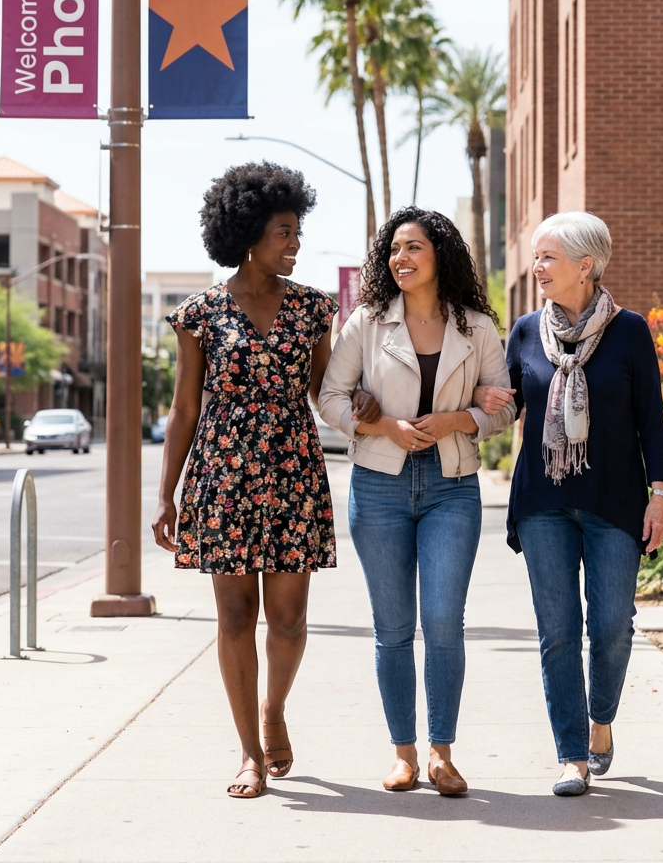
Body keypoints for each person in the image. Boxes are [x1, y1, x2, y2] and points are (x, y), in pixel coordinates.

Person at [151, 161, 378, 799]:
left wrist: (358, 403)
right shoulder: (200, 314)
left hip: (292, 474)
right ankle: (249, 751)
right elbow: (184, 409)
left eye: (297, 232)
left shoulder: (311, 309)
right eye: (285, 232)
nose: (295, 243)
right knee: (233, 616)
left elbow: (326, 389)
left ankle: (274, 707)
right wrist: (166, 495)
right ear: (249, 233)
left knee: (288, 618)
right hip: (222, 477)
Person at [319, 206, 517, 796]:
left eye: (413, 248)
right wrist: (383, 428)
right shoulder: (367, 322)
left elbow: (504, 408)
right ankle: (403, 754)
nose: (400, 258)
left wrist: (461, 416)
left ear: (441, 256)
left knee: (442, 622)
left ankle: (441, 753)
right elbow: (329, 399)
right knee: (393, 628)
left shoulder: (477, 325)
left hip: (451, 487)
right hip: (379, 485)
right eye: (394, 250)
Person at [473, 211, 663, 797]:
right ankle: (571, 756)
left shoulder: (630, 331)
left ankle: (600, 723)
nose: (536, 267)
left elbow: (651, 422)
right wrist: (486, 399)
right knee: (557, 631)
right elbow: (507, 403)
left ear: (585, 266)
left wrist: (659, 494)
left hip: (614, 500)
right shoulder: (526, 332)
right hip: (543, 503)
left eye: (547, 257)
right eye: (536, 256)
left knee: (612, 626)